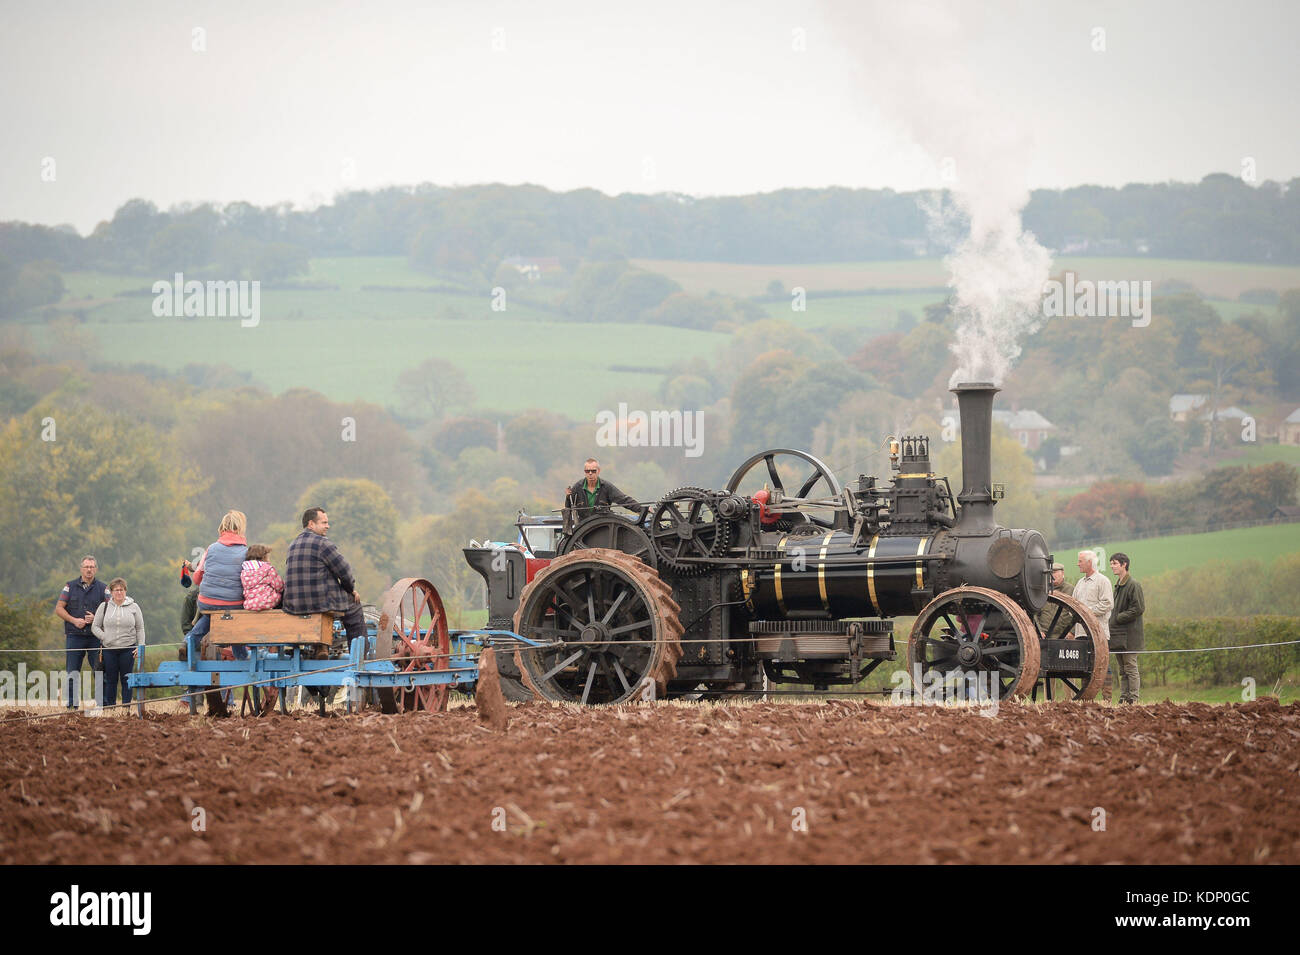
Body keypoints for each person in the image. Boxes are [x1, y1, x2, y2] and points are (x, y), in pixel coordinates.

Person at [283, 507, 364, 653]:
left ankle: (320, 646)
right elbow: (344, 571)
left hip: (293, 604)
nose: (328, 526)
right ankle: (359, 656)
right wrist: (350, 590)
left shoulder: (292, 545)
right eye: (324, 522)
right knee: (355, 607)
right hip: (319, 602)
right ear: (311, 524)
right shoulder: (322, 543)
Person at [185, 511, 249, 663]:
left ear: (222, 527)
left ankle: (189, 640)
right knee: (235, 619)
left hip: (207, 602)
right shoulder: (246, 552)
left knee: (210, 613)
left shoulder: (211, 548)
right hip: (234, 604)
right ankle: (241, 656)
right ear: (240, 529)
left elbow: (196, 578)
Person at [54, 555, 109, 710]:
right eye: (86, 567)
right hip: (74, 636)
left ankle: (102, 704)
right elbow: (59, 608)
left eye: (92, 567)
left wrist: (97, 618)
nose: (89, 570)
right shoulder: (69, 586)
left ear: (96, 569)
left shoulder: (103, 588)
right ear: (81, 569)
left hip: (95, 637)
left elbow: (112, 610)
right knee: (72, 672)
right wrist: (73, 620)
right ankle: (72, 705)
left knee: (99, 671)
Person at [91, 578, 146, 708]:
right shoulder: (104, 606)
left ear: (125, 591)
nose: (119, 592)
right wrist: (104, 637)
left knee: (127, 679)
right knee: (111, 679)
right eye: (116, 590)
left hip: (128, 648)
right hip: (109, 649)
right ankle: (111, 707)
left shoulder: (134, 607)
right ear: (111, 592)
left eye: (121, 590)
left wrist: (141, 646)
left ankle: (126, 706)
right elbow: (95, 626)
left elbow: (140, 628)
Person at [1073, 549, 1115, 700]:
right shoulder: (1079, 583)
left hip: (1098, 633)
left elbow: (1108, 604)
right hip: (1081, 633)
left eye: (1080, 561)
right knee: (1085, 666)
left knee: (1103, 665)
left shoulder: (1103, 581)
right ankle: (1086, 698)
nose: (1077, 564)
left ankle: (1107, 699)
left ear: (1089, 563)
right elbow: (1073, 605)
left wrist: (1087, 612)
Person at [1109, 553, 1145, 704]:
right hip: (1118, 635)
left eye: (1115, 563)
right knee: (1122, 669)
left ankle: (1134, 699)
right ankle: (1124, 698)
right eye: (1111, 563)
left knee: (1130, 667)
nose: (1112, 566)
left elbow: (1139, 608)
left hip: (1130, 635)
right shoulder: (1117, 585)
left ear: (1124, 564)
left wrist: (1118, 617)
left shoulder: (1133, 585)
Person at [563, 457, 641, 526]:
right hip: (583, 529)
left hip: (602, 527)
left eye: (593, 471)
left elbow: (623, 499)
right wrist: (567, 497)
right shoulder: (577, 487)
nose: (590, 473)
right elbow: (568, 507)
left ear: (598, 471)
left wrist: (640, 509)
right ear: (584, 472)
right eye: (587, 471)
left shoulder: (606, 487)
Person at [241, 544, 285, 611]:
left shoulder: (244, 571)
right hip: (267, 602)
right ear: (264, 557)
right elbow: (279, 586)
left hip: (249, 604)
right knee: (281, 594)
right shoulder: (268, 569)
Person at [1035, 562, 1073, 638]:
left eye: (1055, 572)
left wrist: (1072, 632)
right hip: (1043, 635)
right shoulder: (1041, 590)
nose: (1052, 575)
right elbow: (1034, 613)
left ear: (1062, 573)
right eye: (1050, 573)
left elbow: (1079, 614)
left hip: (1064, 635)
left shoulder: (1071, 590)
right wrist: (1039, 631)